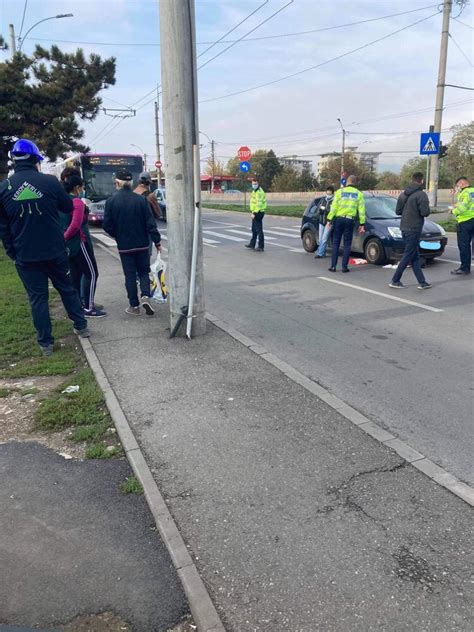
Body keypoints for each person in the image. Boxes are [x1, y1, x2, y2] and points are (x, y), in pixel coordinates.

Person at [0, 138, 89, 356]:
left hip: (26, 255)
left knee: (38, 298)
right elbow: (68, 206)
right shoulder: (49, 182)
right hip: (54, 250)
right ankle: (81, 325)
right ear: (35, 160)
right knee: (66, 289)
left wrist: (13, 252)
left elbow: (3, 227)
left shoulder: (4, 188)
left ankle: (46, 344)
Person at [103, 169, 161, 316]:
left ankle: (134, 306)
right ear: (131, 183)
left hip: (125, 246)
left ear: (117, 183)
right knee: (143, 271)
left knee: (130, 275)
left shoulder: (111, 201)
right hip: (142, 244)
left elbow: (107, 225)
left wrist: (117, 234)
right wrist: (157, 241)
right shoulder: (141, 200)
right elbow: (150, 223)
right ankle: (146, 296)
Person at [61, 175, 107, 318]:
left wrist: (62, 239)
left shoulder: (61, 201)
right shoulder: (77, 203)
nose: (82, 190)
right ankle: (89, 307)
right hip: (79, 243)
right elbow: (75, 225)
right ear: (76, 188)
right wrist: (66, 237)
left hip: (68, 247)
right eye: (81, 187)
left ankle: (77, 307)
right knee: (92, 274)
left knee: (75, 276)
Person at [389, 172, 431, 289]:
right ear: (421, 181)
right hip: (414, 228)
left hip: (404, 227)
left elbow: (398, 211)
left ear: (412, 180)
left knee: (415, 255)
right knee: (408, 255)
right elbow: (425, 212)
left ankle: (422, 282)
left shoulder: (403, 194)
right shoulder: (421, 195)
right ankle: (395, 280)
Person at [326, 175, 365, 272]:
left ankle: (333, 266)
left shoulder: (339, 192)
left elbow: (334, 207)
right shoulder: (359, 194)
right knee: (347, 244)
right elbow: (361, 210)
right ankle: (344, 267)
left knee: (336, 243)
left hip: (339, 219)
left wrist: (329, 220)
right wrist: (362, 224)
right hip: (350, 220)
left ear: (347, 182)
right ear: (355, 183)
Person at [450, 176, 474, 275]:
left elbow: (462, 208)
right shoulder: (472, 191)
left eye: (457, 185)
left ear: (461, 183)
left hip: (465, 221)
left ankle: (464, 268)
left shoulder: (464, 193)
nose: (457, 187)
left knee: (464, 246)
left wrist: (453, 210)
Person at [245, 178, 267, 252]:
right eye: (253, 184)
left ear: (258, 184)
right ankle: (252, 244)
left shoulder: (259, 192)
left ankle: (261, 246)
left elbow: (259, 204)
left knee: (259, 230)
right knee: (254, 229)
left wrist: (254, 213)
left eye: (255, 184)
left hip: (258, 212)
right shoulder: (254, 191)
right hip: (254, 212)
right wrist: (252, 211)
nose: (254, 185)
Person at [315, 185, 335, 258]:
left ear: (332, 194)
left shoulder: (334, 201)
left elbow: (334, 212)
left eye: (329, 194)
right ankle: (322, 252)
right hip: (321, 221)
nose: (328, 195)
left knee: (324, 238)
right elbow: (317, 210)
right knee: (320, 239)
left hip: (329, 222)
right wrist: (320, 210)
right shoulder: (323, 200)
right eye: (327, 193)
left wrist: (327, 211)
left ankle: (320, 253)